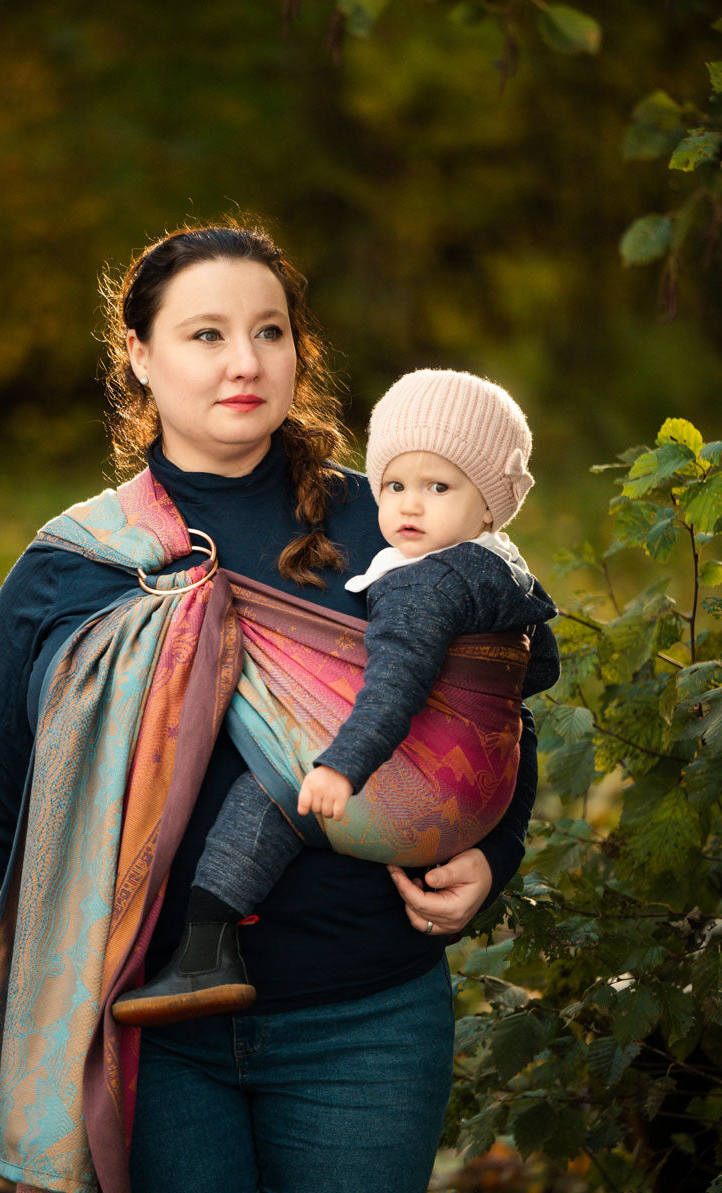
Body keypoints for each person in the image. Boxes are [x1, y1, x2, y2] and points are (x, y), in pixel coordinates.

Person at [0, 223, 545, 1193]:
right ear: (139, 358)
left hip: (364, 1019)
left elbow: (498, 710)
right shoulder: (74, 569)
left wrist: (493, 856)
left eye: (269, 332)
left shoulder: (400, 522)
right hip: (147, 1033)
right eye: (206, 335)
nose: (245, 361)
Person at [111, 368, 559, 1028]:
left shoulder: (424, 584)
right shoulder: (504, 570)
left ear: (489, 502)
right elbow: (536, 671)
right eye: (396, 485)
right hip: (484, 792)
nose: (409, 507)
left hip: (416, 794)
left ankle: (206, 946)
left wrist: (339, 765)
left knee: (269, 789)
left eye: (439, 487)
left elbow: (395, 684)